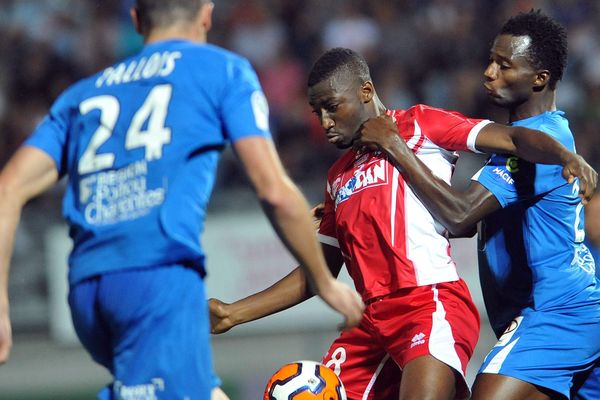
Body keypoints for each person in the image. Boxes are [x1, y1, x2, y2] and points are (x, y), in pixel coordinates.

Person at [0, 1, 365, 399]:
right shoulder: (222, 71)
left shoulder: (81, 96)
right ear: (206, 14)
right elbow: (274, 189)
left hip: (86, 290)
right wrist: (324, 283)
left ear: (137, 21)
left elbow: (8, 188)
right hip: (155, 278)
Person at [209, 46, 596, 400]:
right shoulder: (338, 176)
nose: (325, 122)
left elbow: (513, 139)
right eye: (317, 113)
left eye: (331, 106)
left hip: (429, 305)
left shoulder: (420, 125)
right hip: (370, 324)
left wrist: (564, 155)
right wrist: (234, 313)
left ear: (364, 91)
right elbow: (320, 271)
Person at [358, 10, 599, 400]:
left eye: (505, 66)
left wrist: (396, 147)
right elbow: (467, 224)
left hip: (557, 312)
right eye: (491, 60)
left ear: (540, 78)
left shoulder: (539, 141)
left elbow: (458, 215)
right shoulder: (519, 141)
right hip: (565, 312)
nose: (489, 72)